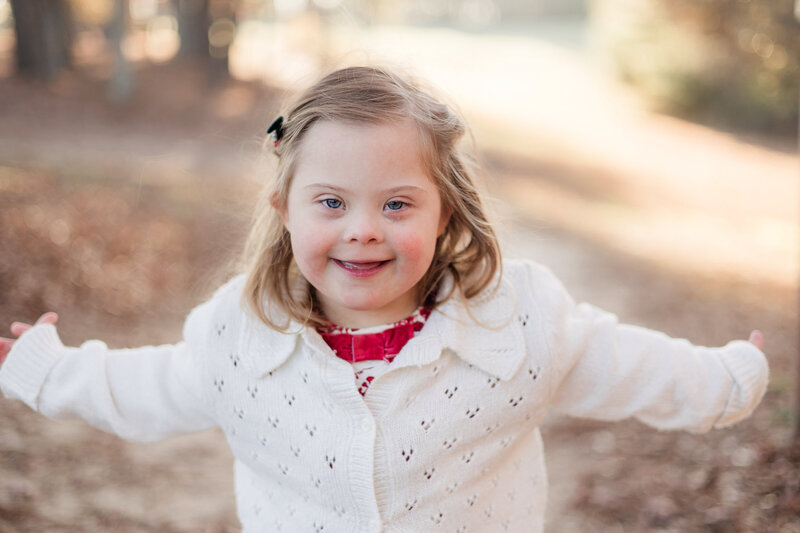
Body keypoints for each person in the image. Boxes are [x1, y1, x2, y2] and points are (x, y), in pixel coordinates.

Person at [0, 66, 768, 533]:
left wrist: (726, 379)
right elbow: (145, 389)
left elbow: (627, 362)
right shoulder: (241, 338)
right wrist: (45, 370)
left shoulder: (517, 326)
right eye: (331, 203)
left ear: (446, 213)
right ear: (285, 209)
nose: (362, 230)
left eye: (397, 205)